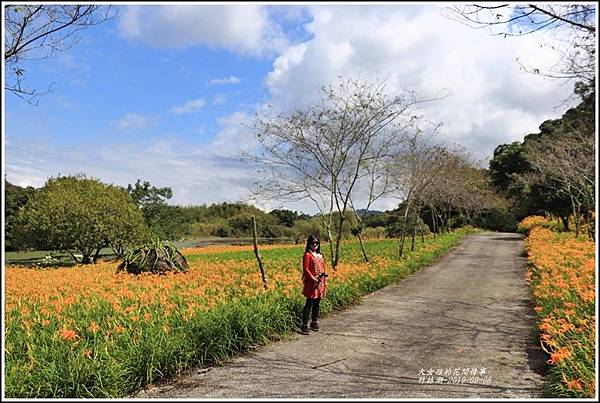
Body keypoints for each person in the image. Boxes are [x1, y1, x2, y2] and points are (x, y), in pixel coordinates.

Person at [300, 234, 328, 335]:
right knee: (309, 303)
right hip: (312, 282)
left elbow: (323, 267)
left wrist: (322, 279)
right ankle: (304, 325)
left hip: (320, 281)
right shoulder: (307, 255)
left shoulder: (320, 254)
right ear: (309, 244)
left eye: (317, 242)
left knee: (317, 302)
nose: (315, 244)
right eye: (312, 243)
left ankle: (314, 322)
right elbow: (306, 269)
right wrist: (313, 279)